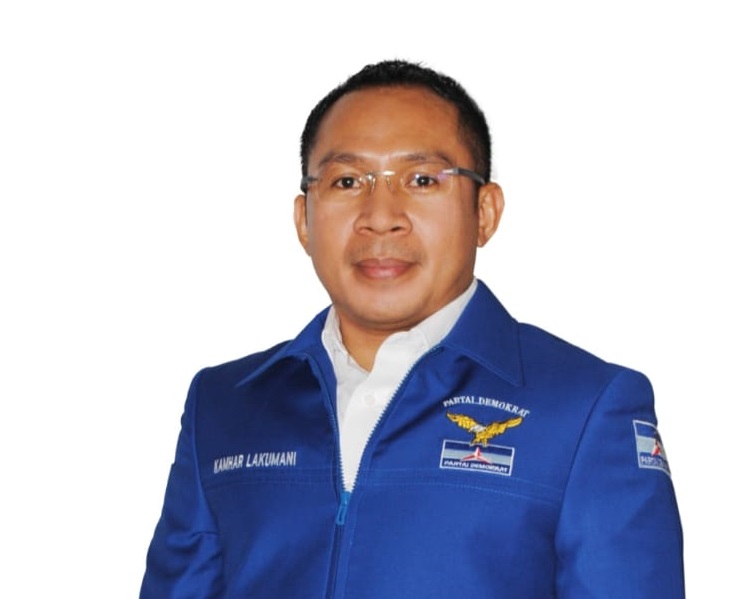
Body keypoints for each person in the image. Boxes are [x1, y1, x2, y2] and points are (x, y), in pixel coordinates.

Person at [140, 59, 685, 598]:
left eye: (422, 180)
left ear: (485, 212)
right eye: (347, 181)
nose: (381, 216)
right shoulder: (224, 406)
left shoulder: (585, 408)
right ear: (304, 219)